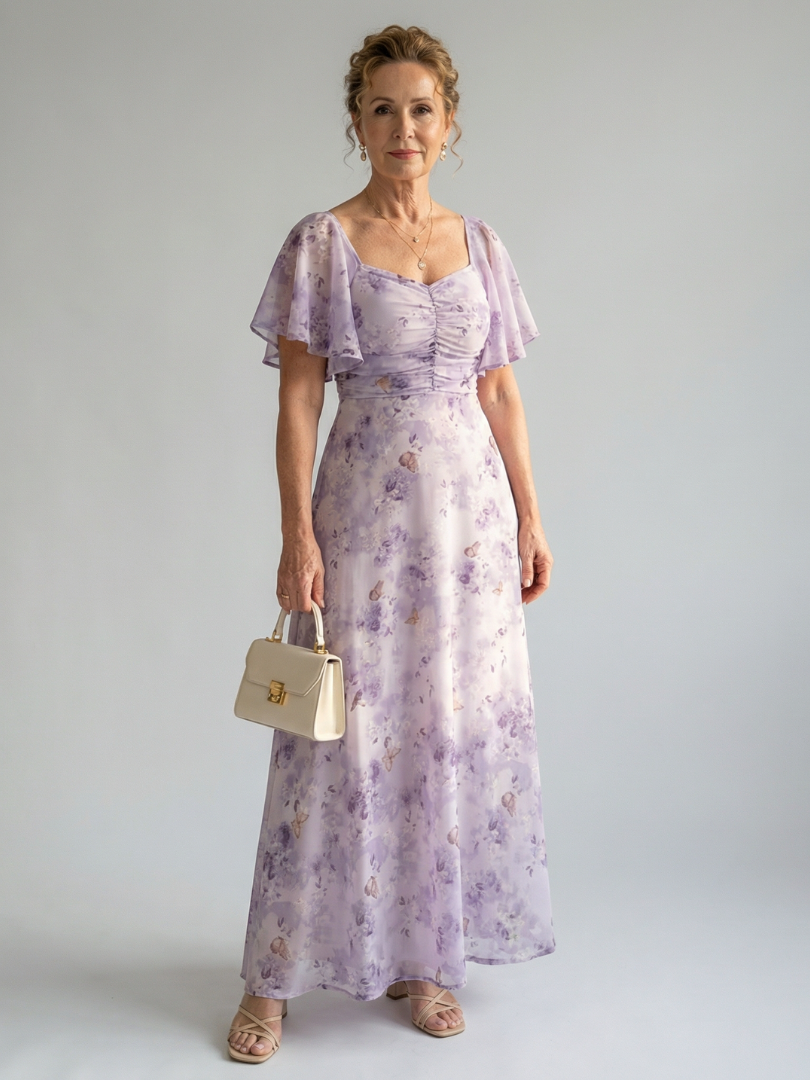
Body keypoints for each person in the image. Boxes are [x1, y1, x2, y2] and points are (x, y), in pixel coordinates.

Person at [227, 24, 556, 1064]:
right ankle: (272, 978)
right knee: (335, 734)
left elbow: (500, 390)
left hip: (470, 529)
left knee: (446, 730)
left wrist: (532, 516)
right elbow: (298, 399)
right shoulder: (323, 243)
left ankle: (427, 957)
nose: (402, 128)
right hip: (365, 520)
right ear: (357, 122)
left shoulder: (482, 244)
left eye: (420, 109)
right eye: (382, 109)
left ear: (447, 123)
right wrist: (296, 533)